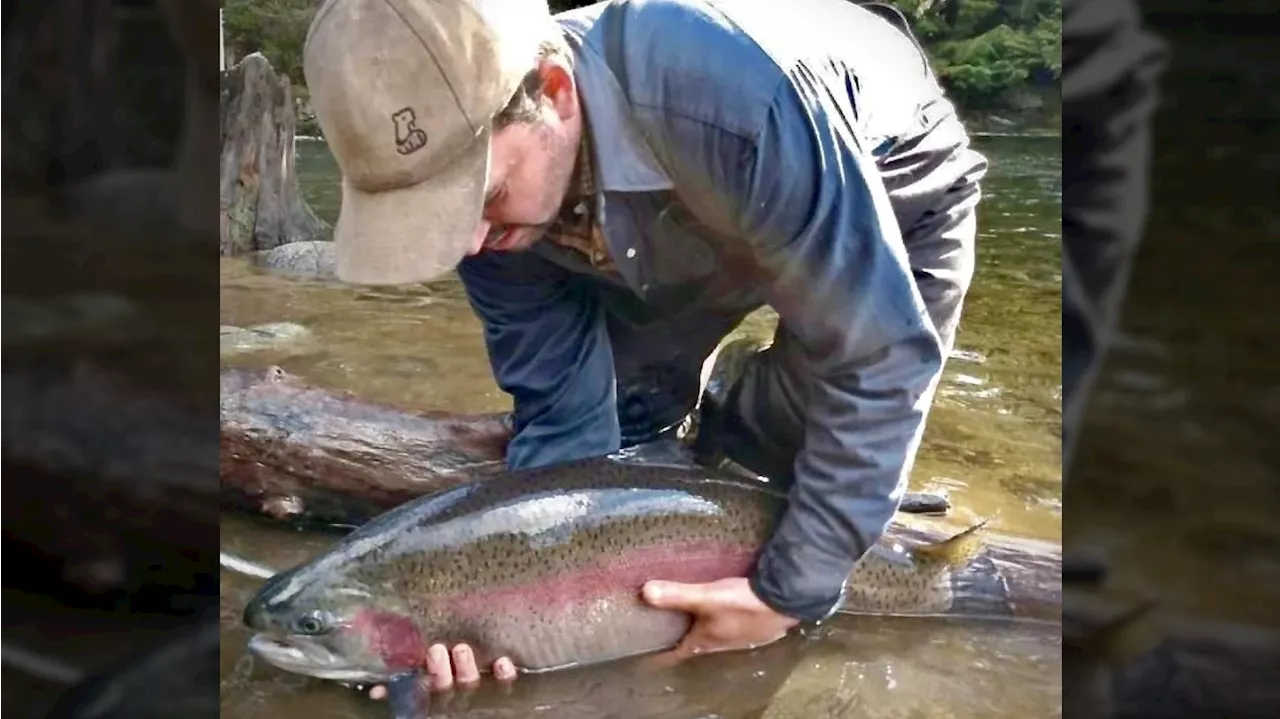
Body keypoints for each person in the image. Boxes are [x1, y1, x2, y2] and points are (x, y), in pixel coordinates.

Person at [303, 0, 987, 695]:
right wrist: (515, 618)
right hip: (662, 208)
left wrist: (786, 595)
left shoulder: (737, 100)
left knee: (803, 462)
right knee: (637, 429)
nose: (468, 242)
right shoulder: (490, 218)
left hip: (884, 171)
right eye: (436, 219)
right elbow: (566, 436)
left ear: (555, 91)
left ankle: (771, 434)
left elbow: (879, 358)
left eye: (484, 196)